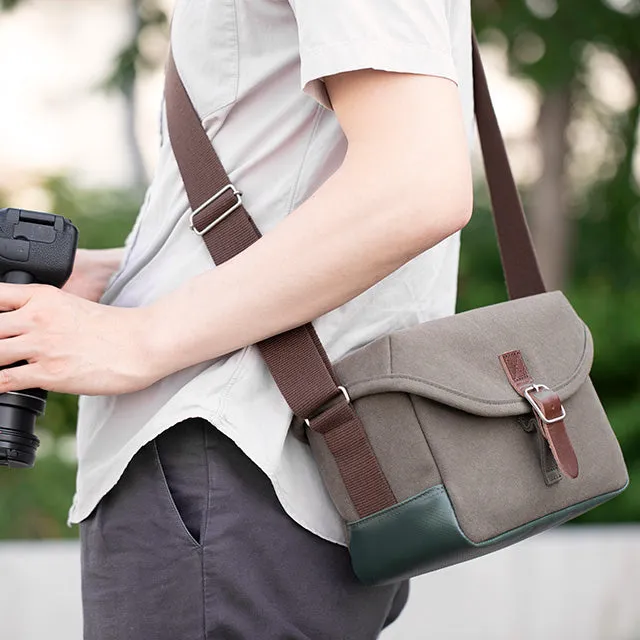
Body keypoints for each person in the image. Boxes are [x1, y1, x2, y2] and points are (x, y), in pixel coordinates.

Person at [0, 0, 474, 637]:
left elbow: (415, 184)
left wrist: (138, 337)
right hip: (284, 462)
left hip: (229, 459)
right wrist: (118, 277)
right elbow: (291, 184)